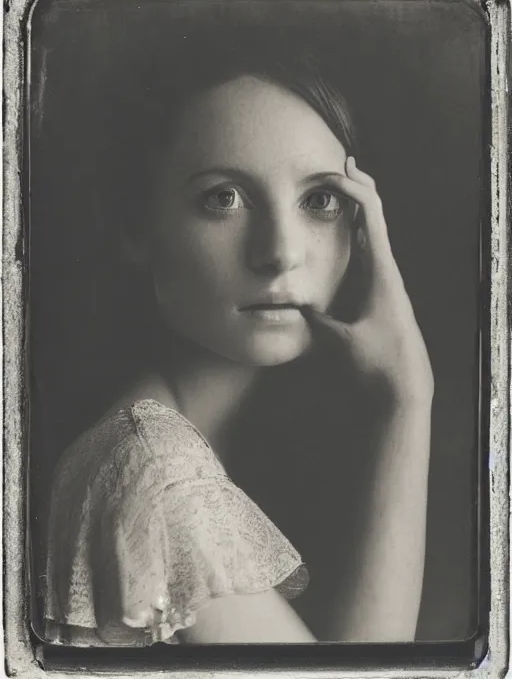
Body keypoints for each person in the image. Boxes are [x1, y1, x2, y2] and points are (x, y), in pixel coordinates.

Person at [42, 32, 434, 647]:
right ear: (139, 228)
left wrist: (406, 399)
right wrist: (408, 404)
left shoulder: (166, 447)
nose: (280, 252)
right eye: (224, 198)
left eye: (321, 200)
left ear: (361, 232)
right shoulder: (155, 474)